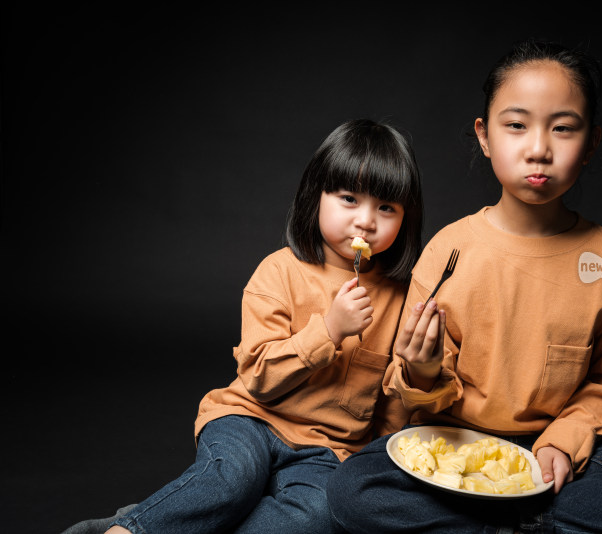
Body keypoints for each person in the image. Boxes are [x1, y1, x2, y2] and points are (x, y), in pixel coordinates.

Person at [325, 39, 602, 534]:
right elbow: (411, 392)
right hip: (457, 446)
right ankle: (524, 524)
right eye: (517, 125)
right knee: (353, 489)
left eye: (564, 128)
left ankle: (499, 521)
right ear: (485, 136)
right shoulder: (448, 252)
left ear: (591, 142)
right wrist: (420, 371)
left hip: (556, 457)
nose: (539, 148)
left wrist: (564, 440)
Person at [61, 118, 423, 534]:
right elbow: (260, 379)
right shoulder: (278, 272)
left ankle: (163, 523)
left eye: (386, 207)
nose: (365, 221)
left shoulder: (401, 298)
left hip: (328, 449)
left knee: (320, 515)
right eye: (348, 198)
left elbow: (390, 410)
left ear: (405, 218)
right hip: (250, 418)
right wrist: (329, 330)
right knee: (230, 482)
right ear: (316, 196)